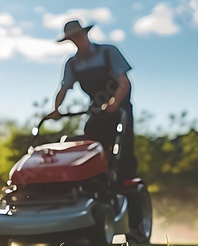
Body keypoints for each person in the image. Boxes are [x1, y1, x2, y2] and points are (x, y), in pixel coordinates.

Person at [47, 19, 137, 181]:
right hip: (96, 109)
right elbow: (64, 88)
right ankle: (95, 184)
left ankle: (124, 188)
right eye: (72, 38)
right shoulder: (73, 63)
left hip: (120, 108)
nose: (76, 39)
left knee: (123, 150)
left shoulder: (108, 52)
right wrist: (56, 110)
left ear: (85, 34)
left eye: (78, 35)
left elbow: (124, 82)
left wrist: (114, 103)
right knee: (90, 147)